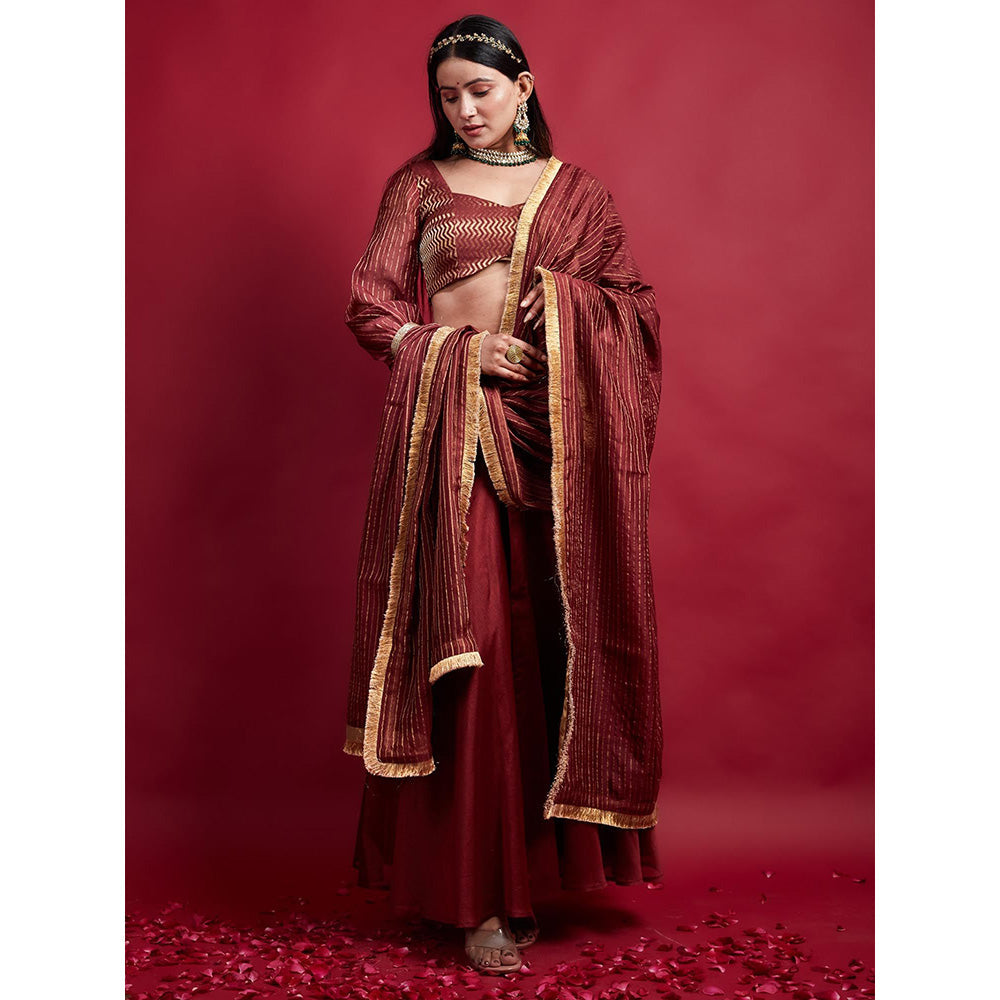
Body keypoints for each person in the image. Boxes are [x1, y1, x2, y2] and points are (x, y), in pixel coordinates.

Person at [342, 15, 665, 976]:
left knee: (543, 648)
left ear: (523, 87)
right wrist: (461, 352)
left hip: (554, 441)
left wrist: (566, 311)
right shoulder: (419, 186)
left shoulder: (580, 196)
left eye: (480, 90)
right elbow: (371, 305)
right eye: (448, 95)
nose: (465, 110)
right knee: (470, 643)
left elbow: (632, 313)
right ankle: (477, 897)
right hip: (451, 436)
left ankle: (525, 879)